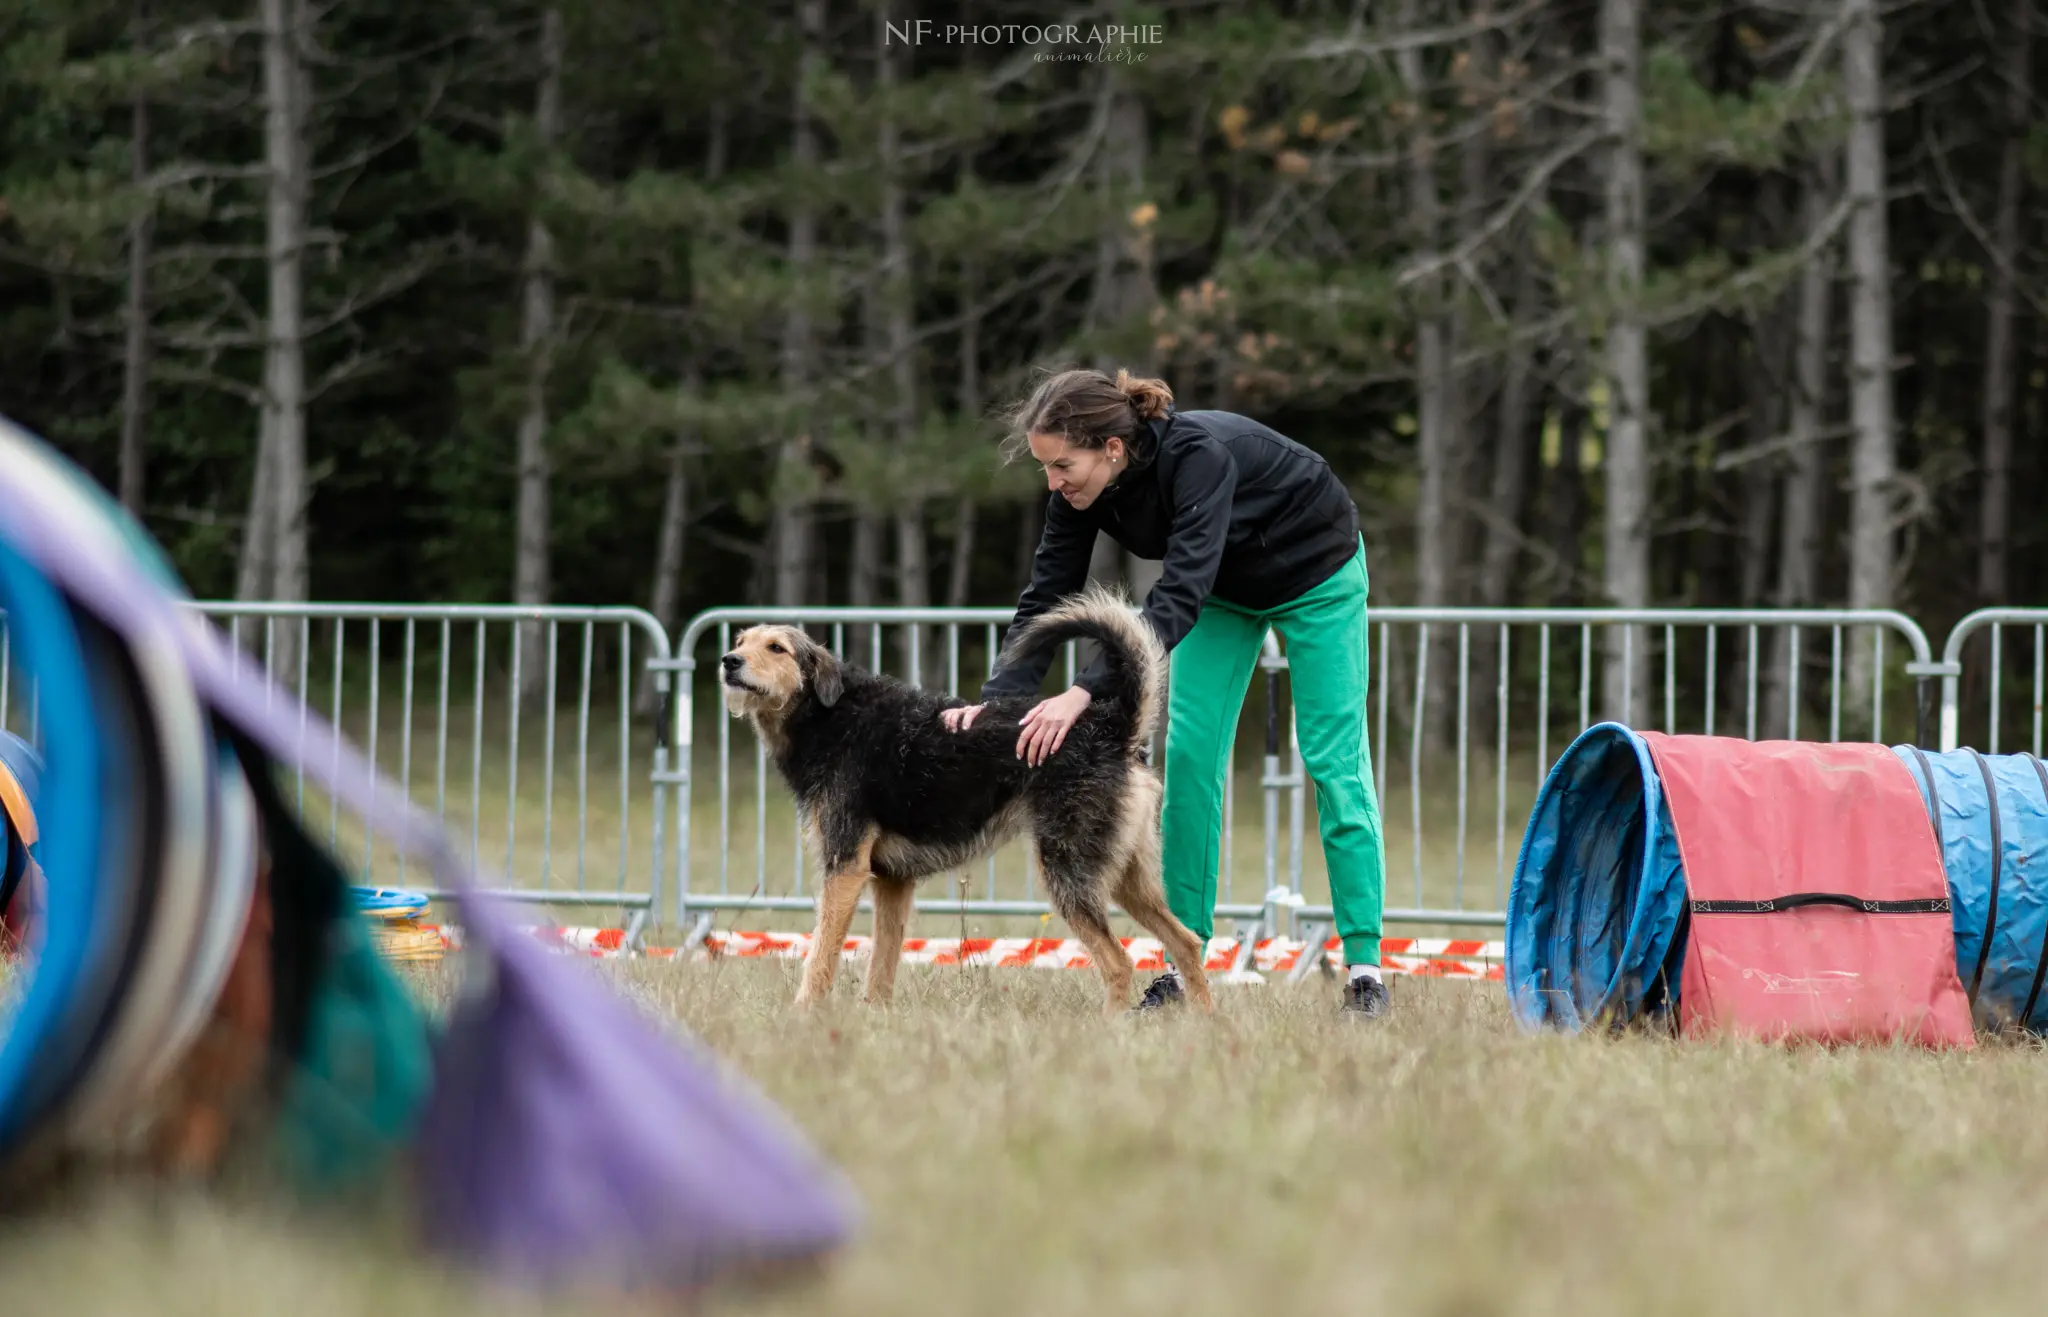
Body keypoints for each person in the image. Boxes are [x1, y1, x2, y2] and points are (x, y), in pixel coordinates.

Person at [942, 367, 1389, 1017]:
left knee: (1332, 760)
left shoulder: (1196, 458)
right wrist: (999, 697)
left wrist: (1083, 692)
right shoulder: (1075, 495)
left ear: (1112, 449)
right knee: (1190, 759)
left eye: (1062, 465)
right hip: (1228, 593)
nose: (1053, 482)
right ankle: (1185, 965)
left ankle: (1367, 971)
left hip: (1317, 570)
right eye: (1045, 468)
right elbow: (1047, 595)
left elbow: (1177, 596)